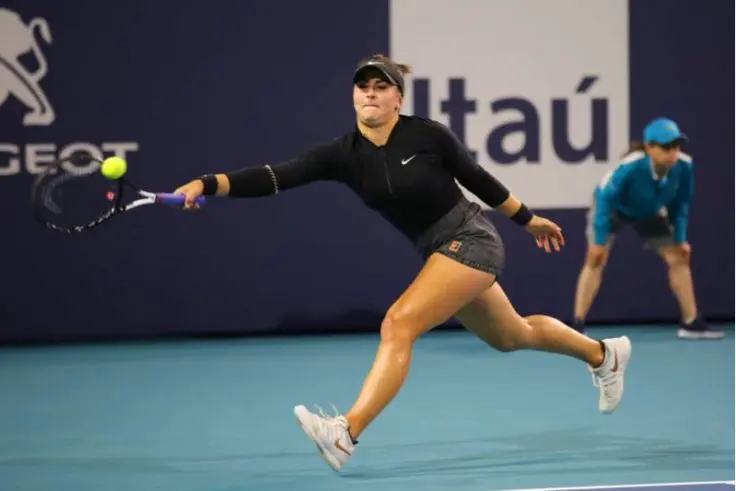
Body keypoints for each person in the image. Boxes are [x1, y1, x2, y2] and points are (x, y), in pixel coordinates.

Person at [172, 54, 632, 472]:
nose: (370, 93)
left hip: (471, 239)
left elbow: (477, 178)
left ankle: (346, 432)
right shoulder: (342, 154)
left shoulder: (427, 135)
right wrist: (207, 184)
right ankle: (604, 355)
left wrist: (527, 220)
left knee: (398, 324)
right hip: (439, 251)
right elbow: (276, 177)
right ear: (353, 96)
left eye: (381, 86)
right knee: (514, 336)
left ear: (398, 98)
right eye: (362, 86)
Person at [572, 117, 723, 340]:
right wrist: (599, 241)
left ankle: (691, 322)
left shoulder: (684, 166)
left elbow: (680, 204)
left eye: (676, 146)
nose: (672, 152)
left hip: (648, 212)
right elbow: (604, 196)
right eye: (665, 147)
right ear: (649, 147)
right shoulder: (632, 165)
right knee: (595, 258)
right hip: (613, 210)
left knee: (678, 257)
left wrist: (680, 239)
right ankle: (576, 325)